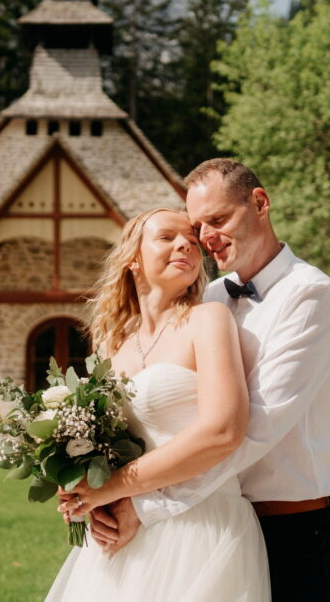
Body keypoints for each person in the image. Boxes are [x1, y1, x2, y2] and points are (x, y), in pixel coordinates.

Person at [65, 159, 330, 601]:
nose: (204, 239)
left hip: (289, 526)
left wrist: (136, 499)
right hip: (194, 516)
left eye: (217, 220)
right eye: (199, 226)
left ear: (260, 202)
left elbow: (249, 430)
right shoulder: (210, 299)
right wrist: (86, 489)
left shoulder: (309, 296)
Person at [45, 207, 270, 601]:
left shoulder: (209, 319)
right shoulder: (111, 341)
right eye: (167, 237)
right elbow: (104, 445)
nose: (185, 243)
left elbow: (223, 432)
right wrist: (87, 497)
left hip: (200, 526)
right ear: (133, 259)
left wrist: (110, 489)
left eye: (191, 240)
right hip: (124, 534)